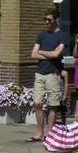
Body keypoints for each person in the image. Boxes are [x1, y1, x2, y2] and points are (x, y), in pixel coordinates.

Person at [29, 8, 70, 143]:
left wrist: (42, 51)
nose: (47, 22)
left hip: (53, 74)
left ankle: (49, 133)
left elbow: (57, 54)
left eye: (49, 20)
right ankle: (40, 132)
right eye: (45, 20)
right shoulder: (41, 35)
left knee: (53, 105)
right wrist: (49, 53)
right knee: (37, 103)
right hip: (40, 73)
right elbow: (33, 54)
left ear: (56, 20)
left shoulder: (63, 36)